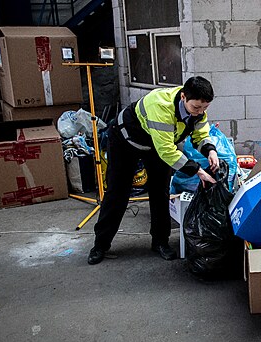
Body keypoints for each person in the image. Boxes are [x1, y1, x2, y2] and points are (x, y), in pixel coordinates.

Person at [88, 76, 219, 265]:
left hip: (155, 145)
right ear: (183, 97)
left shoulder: (198, 110)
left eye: (204, 108)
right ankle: (100, 244)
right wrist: (198, 171)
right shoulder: (161, 107)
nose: (200, 112)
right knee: (118, 192)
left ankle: (160, 242)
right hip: (126, 140)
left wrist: (210, 150)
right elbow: (166, 150)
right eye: (196, 108)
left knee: (160, 192)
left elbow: (200, 134)